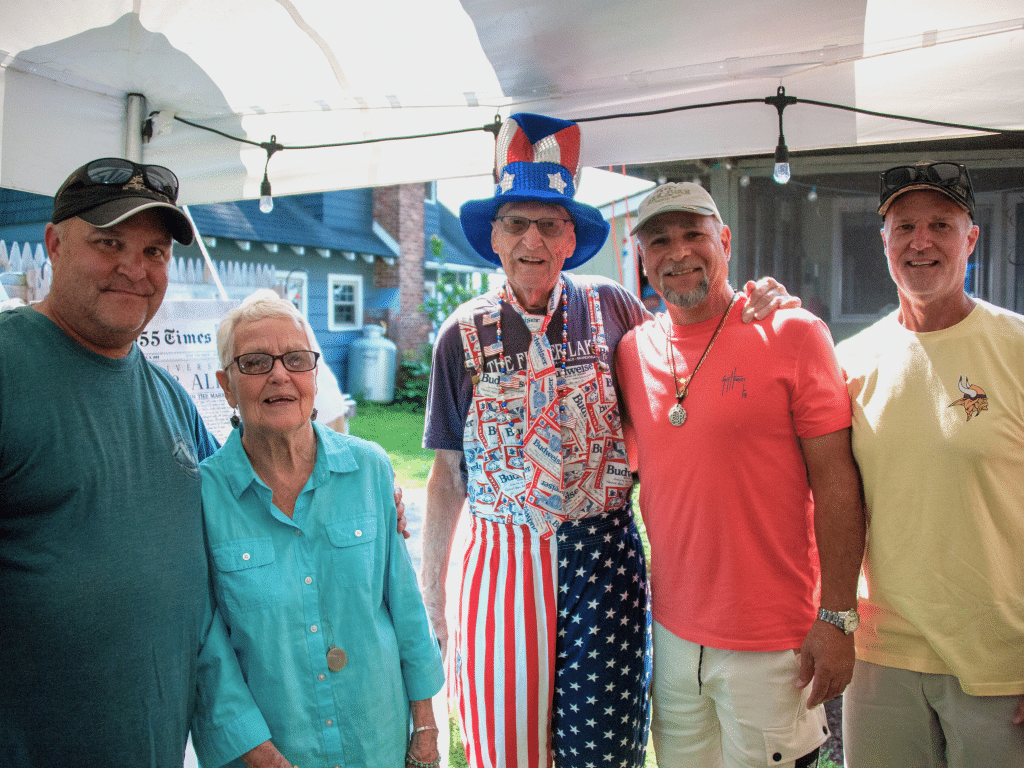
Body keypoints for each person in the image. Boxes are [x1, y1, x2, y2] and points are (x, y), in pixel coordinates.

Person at [421, 114, 796, 768]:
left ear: (571, 238)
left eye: (549, 223)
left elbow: (691, 360)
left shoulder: (614, 308)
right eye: (516, 222)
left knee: (604, 751)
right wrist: (435, 608)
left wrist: (754, 307)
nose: (532, 239)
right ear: (493, 235)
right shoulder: (462, 333)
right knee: (505, 752)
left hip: (604, 568)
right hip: (500, 565)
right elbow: (446, 477)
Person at [615, 182, 866, 768]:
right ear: (642, 259)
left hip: (772, 641)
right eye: (660, 241)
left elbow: (837, 482)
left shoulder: (792, 334)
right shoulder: (632, 351)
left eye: (694, 235)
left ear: (725, 241)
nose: (678, 254)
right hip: (672, 636)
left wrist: (836, 616)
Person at [0, 157, 225, 766]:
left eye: (155, 251)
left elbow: (245, 502)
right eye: (109, 243)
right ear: (52, 243)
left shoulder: (169, 397)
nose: (135, 268)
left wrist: (349, 483)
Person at [190, 290, 445, 768]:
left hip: (376, 737)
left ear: (314, 374)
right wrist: (261, 756)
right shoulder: (202, 497)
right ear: (226, 387)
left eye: (295, 359)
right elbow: (207, 648)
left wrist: (426, 727)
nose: (279, 375)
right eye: (256, 362)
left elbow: (405, 606)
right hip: (269, 747)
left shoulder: (368, 469)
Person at [836, 162, 1024, 766]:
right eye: (905, 225)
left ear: (971, 238)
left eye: (941, 224)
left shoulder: (1016, 347)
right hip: (881, 656)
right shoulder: (849, 361)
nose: (922, 241)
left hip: (999, 662)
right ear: (883, 242)